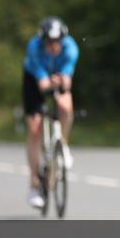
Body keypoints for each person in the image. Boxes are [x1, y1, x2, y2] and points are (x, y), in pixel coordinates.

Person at [23, 16, 79, 209]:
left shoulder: (71, 48)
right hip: (34, 78)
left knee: (65, 106)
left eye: (57, 42)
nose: (54, 46)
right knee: (35, 127)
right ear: (42, 40)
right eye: (49, 42)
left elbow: (67, 79)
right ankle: (34, 183)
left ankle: (63, 143)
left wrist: (63, 81)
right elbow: (42, 83)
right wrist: (47, 82)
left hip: (57, 77)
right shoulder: (34, 48)